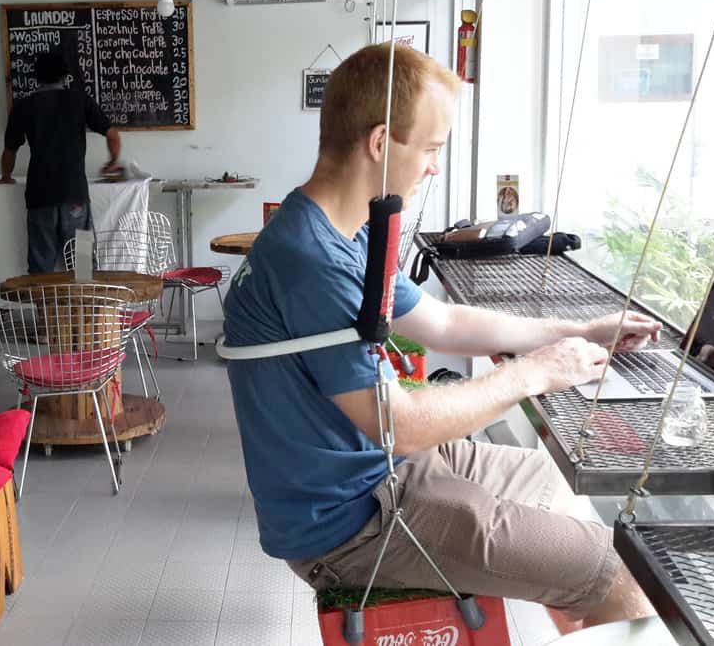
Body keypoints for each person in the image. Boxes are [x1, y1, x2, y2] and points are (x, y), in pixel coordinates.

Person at [222, 43, 662, 632]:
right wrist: (536, 372)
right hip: (351, 522)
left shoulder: (344, 231)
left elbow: (442, 323)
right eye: (430, 149)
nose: (433, 167)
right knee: (623, 570)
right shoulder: (311, 260)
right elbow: (401, 424)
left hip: (382, 470)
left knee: (554, 487)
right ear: (381, 143)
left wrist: (578, 331)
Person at [0, 50, 122, 273]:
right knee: (83, 266)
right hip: (75, 194)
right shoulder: (79, 100)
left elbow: (9, 150)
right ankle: (83, 296)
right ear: (65, 76)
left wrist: (6, 176)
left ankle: (44, 298)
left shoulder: (23, 106)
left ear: (36, 77)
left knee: (41, 267)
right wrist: (112, 162)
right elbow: (112, 134)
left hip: (39, 195)